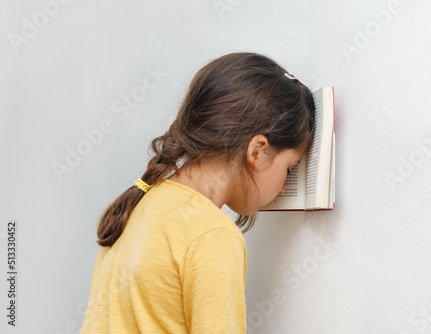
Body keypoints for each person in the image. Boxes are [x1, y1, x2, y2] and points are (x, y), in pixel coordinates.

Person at [80, 52, 315, 333]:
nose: (284, 186)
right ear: (258, 151)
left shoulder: (141, 203)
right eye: (290, 168)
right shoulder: (212, 235)